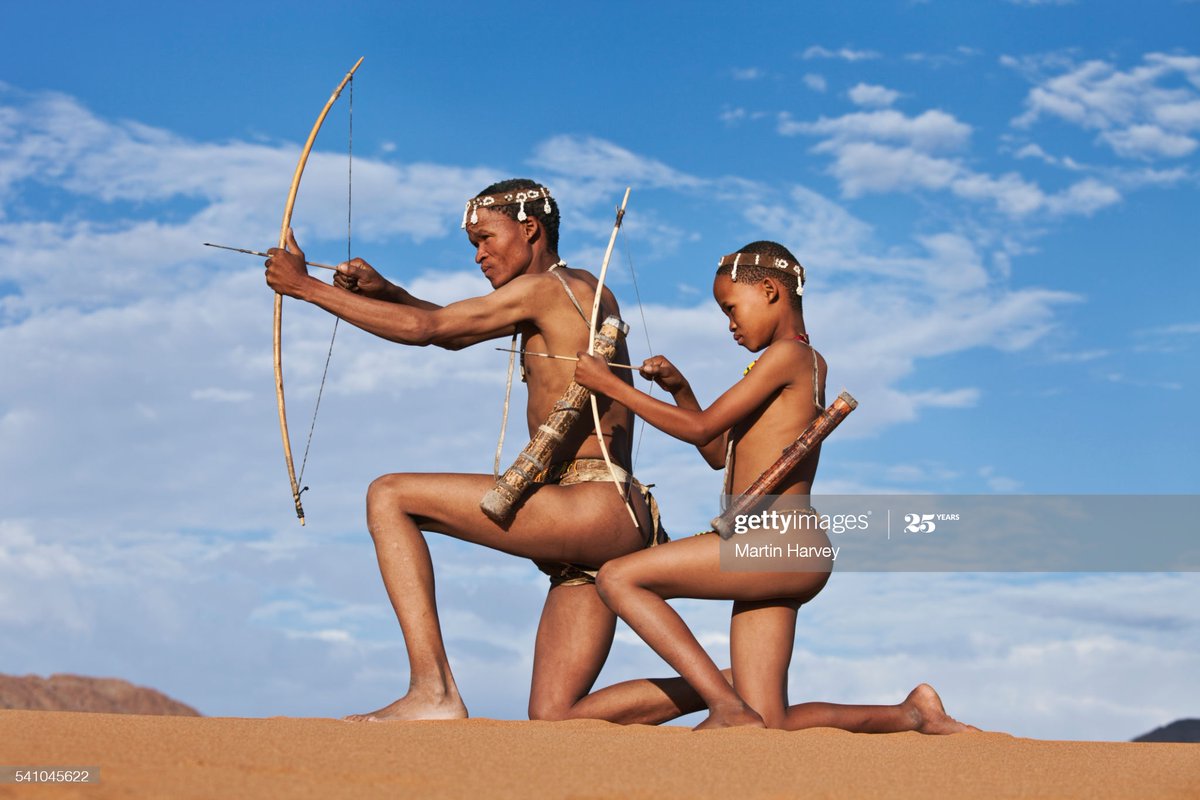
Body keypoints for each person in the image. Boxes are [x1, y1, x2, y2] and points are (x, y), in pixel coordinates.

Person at [264, 179, 705, 723]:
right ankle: (735, 685)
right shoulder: (577, 289)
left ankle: (434, 691)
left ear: (528, 229)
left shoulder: (547, 288)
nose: (479, 254)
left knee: (390, 496)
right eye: (473, 244)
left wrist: (306, 288)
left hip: (591, 503)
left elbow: (432, 329)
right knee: (556, 719)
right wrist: (386, 293)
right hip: (609, 524)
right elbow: (451, 329)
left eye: (485, 237)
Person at [574, 240, 974, 732]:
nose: (730, 325)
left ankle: (723, 705)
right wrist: (681, 390)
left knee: (618, 578)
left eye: (731, 308)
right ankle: (911, 713)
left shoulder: (789, 356)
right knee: (771, 723)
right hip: (782, 550)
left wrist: (611, 385)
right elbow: (718, 450)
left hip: (774, 543)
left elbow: (699, 431)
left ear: (768, 291)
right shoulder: (794, 363)